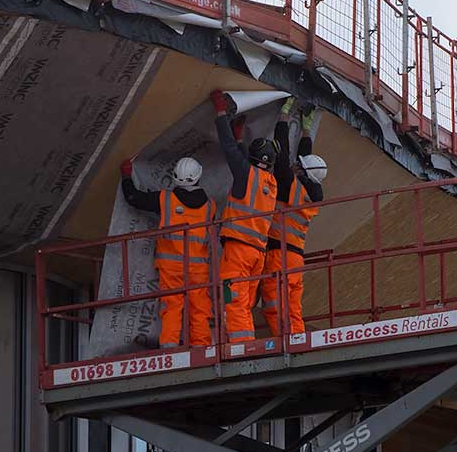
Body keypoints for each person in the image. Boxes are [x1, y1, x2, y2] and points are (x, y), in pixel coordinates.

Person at [120, 156, 215, 348]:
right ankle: (202, 349)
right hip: (198, 271)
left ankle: (170, 350)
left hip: (171, 269)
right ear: (198, 177)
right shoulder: (210, 207)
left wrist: (126, 176)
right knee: (200, 310)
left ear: (175, 177)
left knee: (171, 308)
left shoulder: (165, 200)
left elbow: (134, 199)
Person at [210, 89, 279, 342]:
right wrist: (240, 140)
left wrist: (220, 114)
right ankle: (245, 340)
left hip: (237, 253)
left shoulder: (246, 174)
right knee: (245, 301)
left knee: (232, 298)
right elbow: (239, 157)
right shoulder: (270, 184)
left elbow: (229, 151)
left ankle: (241, 347)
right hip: (256, 255)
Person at [259, 98, 326, 336]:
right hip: (296, 258)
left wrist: (284, 115)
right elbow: (303, 161)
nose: (296, 166)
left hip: (279, 256)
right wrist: (306, 129)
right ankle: (298, 341)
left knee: (275, 305)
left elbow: (282, 149)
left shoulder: (289, 186)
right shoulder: (311, 193)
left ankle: (284, 344)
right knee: (293, 308)